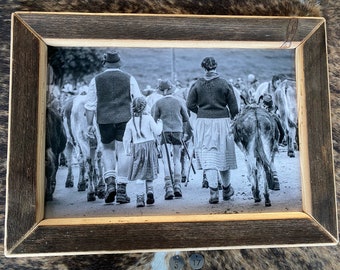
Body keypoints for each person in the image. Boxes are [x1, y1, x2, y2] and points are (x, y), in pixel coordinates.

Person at [85, 51, 143, 204]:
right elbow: (138, 100)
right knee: (123, 151)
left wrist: (89, 125)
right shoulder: (129, 78)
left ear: (105, 64)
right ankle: (122, 189)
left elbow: (90, 106)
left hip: (104, 120)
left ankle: (110, 183)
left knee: (107, 150)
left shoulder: (96, 80)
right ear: (119, 63)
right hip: (124, 119)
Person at [186, 56, 239, 204]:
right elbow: (234, 108)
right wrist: (232, 119)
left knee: (209, 156)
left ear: (203, 68)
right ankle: (227, 189)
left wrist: (202, 112)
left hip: (203, 123)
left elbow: (189, 104)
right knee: (223, 155)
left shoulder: (197, 84)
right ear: (216, 67)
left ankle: (213, 192)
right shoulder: (224, 83)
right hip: (222, 122)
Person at [152, 79, 191, 200]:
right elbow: (186, 118)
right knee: (176, 159)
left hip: (164, 133)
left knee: (166, 159)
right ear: (170, 89)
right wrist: (186, 133)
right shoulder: (179, 102)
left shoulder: (158, 103)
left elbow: (154, 120)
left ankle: (168, 186)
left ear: (161, 91)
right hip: (178, 132)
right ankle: (178, 185)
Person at [123, 96, 163, 207]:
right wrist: (160, 124)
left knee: (139, 174)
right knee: (149, 171)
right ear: (145, 107)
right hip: (150, 147)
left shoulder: (130, 122)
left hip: (137, 148)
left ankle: (140, 198)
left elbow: (126, 139)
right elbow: (157, 131)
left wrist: (127, 150)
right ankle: (150, 191)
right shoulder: (149, 118)